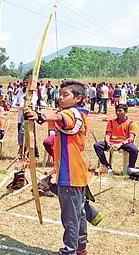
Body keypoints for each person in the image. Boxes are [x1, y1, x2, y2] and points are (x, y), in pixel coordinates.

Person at [25, 80, 91, 255]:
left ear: (78, 98)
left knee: (71, 216)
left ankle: (69, 250)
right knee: (78, 213)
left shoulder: (73, 114)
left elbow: (60, 118)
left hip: (71, 174)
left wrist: (39, 116)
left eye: (65, 95)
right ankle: (80, 248)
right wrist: (37, 115)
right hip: (74, 173)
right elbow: (57, 119)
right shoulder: (76, 113)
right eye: (60, 94)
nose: (60, 98)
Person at [93, 104, 138, 175]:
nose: (117, 112)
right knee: (97, 145)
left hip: (124, 143)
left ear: (126, 111)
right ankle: (107, 166)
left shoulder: (132, 124)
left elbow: (131, 138)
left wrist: (120, 144)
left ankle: (130, 169)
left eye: (120, 111)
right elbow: (108, 134)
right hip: (112, 141)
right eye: (116, 110)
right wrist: (107, 142)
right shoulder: (110, 122)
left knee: (134, 149)